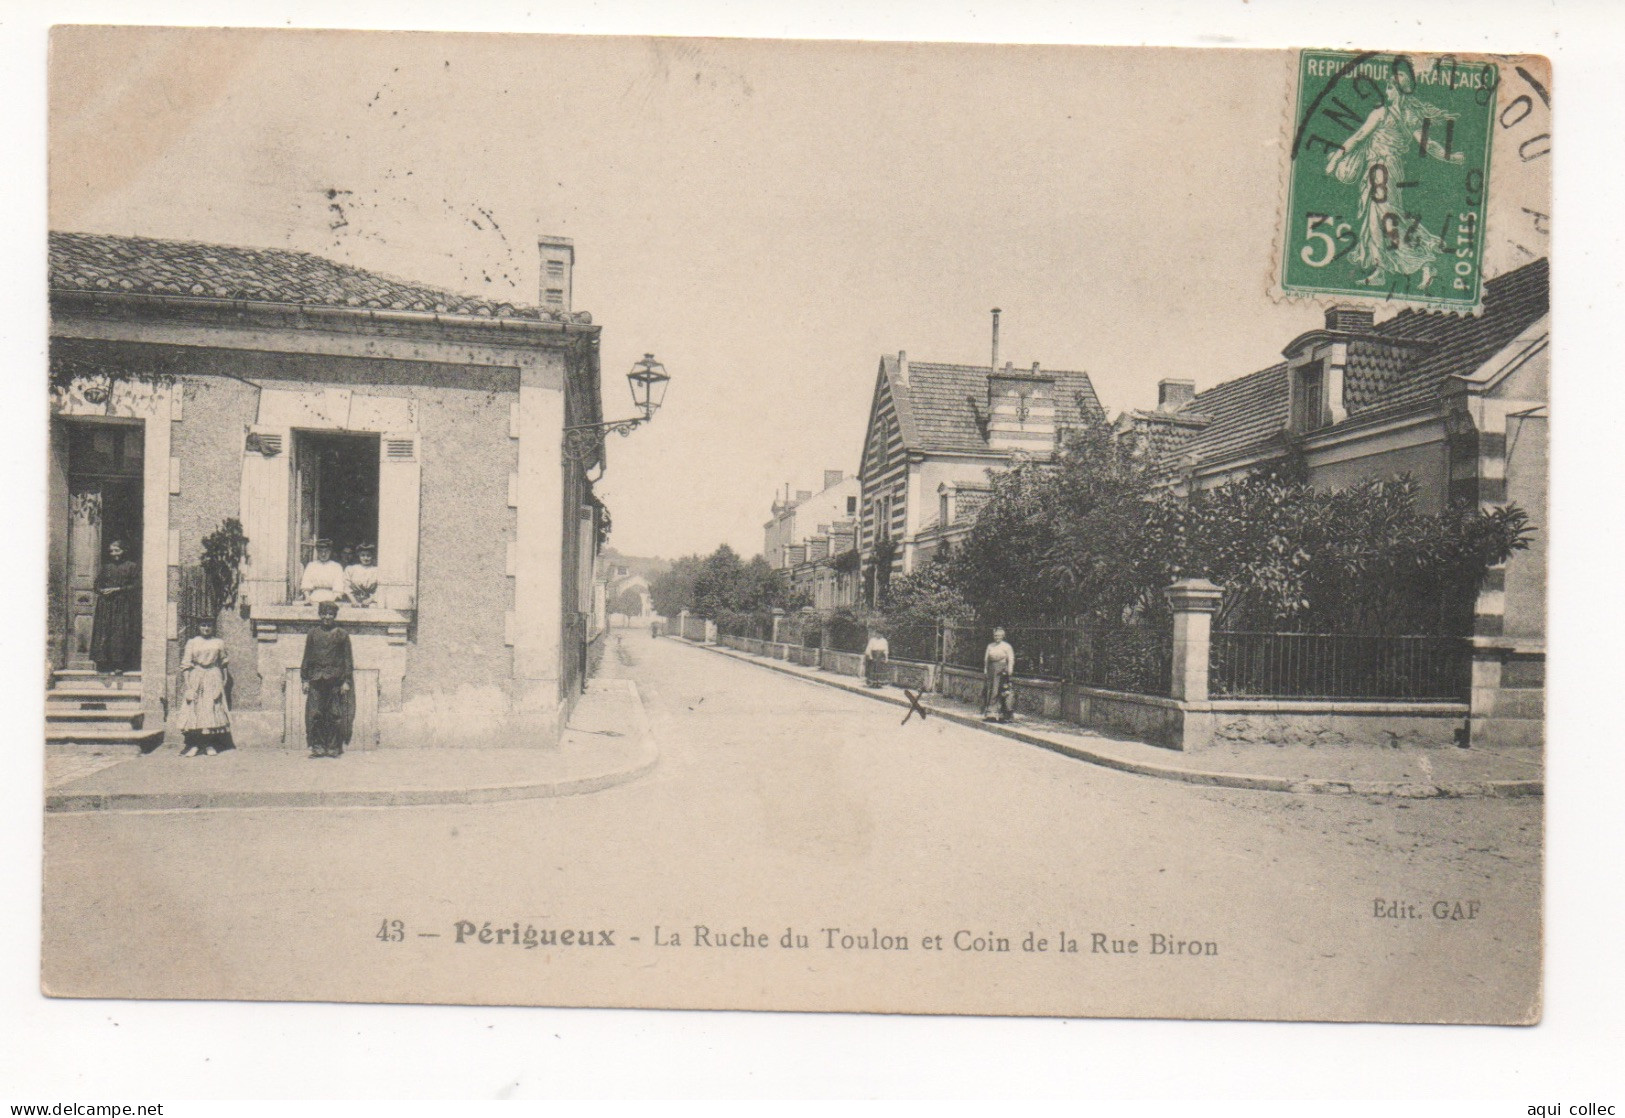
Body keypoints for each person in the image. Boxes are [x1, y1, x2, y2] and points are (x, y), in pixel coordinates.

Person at [1323, 73, 1465, 290]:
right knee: (1375, 220)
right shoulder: (1400, 115)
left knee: (1388, 218)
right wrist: (1450, 156)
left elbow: (1360, 137)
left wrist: (1335, 160)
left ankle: (1425, 263)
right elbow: (1360, 136)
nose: (1387, 91)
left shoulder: (1388, 114)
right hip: (1380, 170)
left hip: (1383, 170)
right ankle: (1380, 270)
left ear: (1399, 90)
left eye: (1390, 87)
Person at [301, 600, 353, 758]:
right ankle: (317, 746)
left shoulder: (342, 634)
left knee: (334, 715)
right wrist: (304, 679)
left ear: (335, 616)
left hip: (335, 681)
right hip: (316, 680)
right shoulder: (313, 634)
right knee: (316, 715)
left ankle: (333, 747)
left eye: (330, 614)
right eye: (324, 613)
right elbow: (307, 657)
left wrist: (347, 681)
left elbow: (348, 660)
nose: (327, 617)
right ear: (319, 614)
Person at [176, 616, 233, 756]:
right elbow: (186, 665)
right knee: (195, 709)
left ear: (213, 627)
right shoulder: (192, 642)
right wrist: (189, 685)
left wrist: (223, 681)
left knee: (211, 709)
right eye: (203, 626)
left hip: (213, 676)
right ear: (199, 627)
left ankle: (209, 745)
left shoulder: (218, 642)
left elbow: (224, 662)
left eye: (209, 625)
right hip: (197, 675)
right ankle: (195, 745)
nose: (206, 628)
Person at [89, 538, 141, 674]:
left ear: (124, 551)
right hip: (106, 605)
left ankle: (119, 665)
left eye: (117, 550)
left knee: (120, 634)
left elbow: (136, 585)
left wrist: (117, 589)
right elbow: (96, 585)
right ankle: (104, 665)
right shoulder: (106, 567)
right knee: (105, 632)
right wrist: (102, 591)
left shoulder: (132, 566)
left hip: (122, 605)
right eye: (111, 551)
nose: (114, 553)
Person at [982, 627, 1016, 723]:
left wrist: (1009, 670)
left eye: (999, 635)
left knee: (1002, 691)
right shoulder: (990, 646)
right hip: (992, 671)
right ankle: (990, 714)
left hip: (1002, 672)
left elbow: (1011, 659)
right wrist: (985, 669)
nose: (997, 637)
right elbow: (986, 659)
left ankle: (1004, 715)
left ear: (1003, 636)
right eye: (995, 635)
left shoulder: (1007, 646)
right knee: (991, 690)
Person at [299, 539, 348, 605]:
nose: (323, 554)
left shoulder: (336, 566)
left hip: (331, 598)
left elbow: (339, 587)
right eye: (320, 551)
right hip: (314, 598)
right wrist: (308, 598)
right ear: (317, 552)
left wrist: (334, 599)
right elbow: (306, 584)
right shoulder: (311, 566)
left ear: (330, 552)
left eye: (326, 551)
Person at [345, 543, 380, 608]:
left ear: (373, 556)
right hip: (352, 602)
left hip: (371, 603)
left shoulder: (377, 571)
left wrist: (370, 600)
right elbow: (346, 587)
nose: (365, 558)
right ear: (358, 556)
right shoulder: (351, 569)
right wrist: (353, 601)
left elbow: (380, 589)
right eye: (363, 555)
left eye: (368, 555)